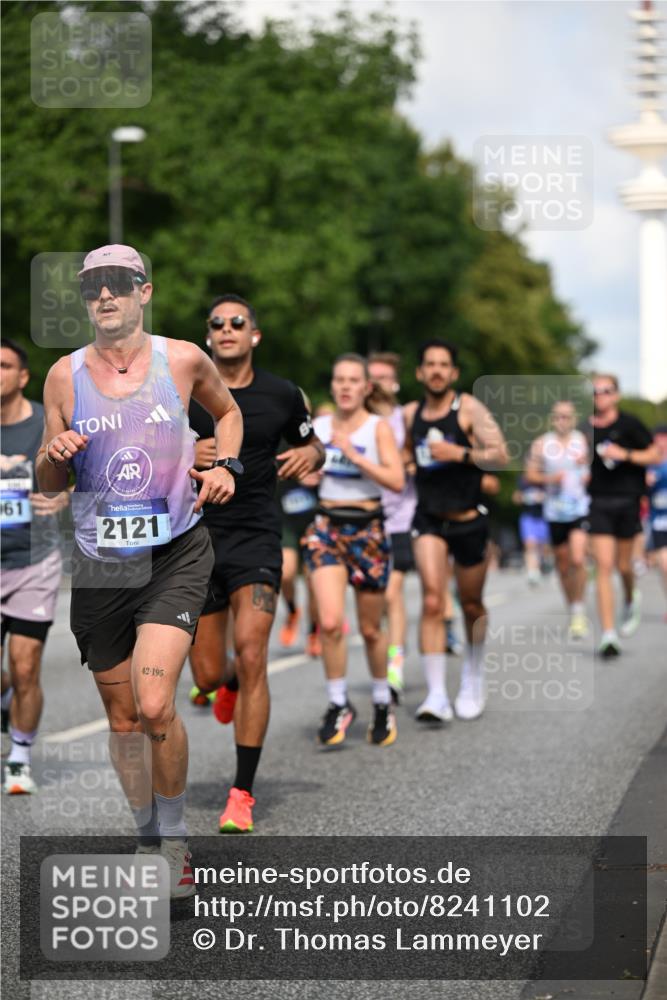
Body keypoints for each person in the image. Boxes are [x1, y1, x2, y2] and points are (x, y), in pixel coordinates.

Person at [36, 244, 243, 898]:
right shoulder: (63, 377)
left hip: (175, 553)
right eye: (94, 286)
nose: (106, 296)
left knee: (156, 705)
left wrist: (224, 468)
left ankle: (176, 842)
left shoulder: (181, 359)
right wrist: (55, 453)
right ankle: (144, 832)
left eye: (118, 285)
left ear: (143, 292)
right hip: (100, 565)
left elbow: (228, 413)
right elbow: (48, 479)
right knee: (123, 720)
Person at [188, 294, 324, 833]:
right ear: (208, 336)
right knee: (206, 672)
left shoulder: (282, 394)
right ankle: (221, 684)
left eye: (237, 323)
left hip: (257, 540)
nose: (226, 330)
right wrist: (185, 452)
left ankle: (241, 793)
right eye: (217, 324)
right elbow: (147, 453)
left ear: (254, 335)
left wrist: (312, 455)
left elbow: (314, 446)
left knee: (252, 655)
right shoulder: (184, 392)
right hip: (195, 540)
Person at [301, 353, 404, 747]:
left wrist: (354, 454)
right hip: (327, 527)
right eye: (339, 380)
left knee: (370, 629)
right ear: (332, 386)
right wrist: (306, 470)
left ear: (365, 388)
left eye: (352, 381)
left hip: (369, 531)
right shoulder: (319, 427)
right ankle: (338, 702)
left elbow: (395, 479)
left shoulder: (377, 429)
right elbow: (305, 469)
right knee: (330, 622)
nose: (345, 386)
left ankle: (381, 700)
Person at [405, 339, 508, 722]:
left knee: (471, 603)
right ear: (419, 372)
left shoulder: (468, 408)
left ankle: (473, 674)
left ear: (454, 373)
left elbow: (500, 454)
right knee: (433, 600)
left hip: (468, 519)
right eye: (429, 364)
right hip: (429, 519)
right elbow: (400, 455)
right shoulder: (410, 413)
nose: (436, 370)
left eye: (443, 365)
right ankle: (435, 695)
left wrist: (461, 454)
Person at [1, 340, 68, 794]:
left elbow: (80, 476)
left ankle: (19, 757)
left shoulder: (45, 425)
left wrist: (63, 494)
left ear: (23, 376)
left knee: (25, 666)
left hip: (34, 561)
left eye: (3, 366)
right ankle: (7, 700)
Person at [582, 374, 658, 658]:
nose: (600, 395)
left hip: (628, 501)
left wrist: (624, 454)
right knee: (603, 566)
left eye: (606, 390)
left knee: (624, 566)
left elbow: (653, 455)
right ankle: (608, 634)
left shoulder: (630, 424)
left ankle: (630, 597)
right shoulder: (584, 428)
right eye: (595, 391)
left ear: (616, 395)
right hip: (598, 501)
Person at [366, 352, 417, 700]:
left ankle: (394, 665)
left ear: (395, 381)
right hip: (366, 516)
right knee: (375, 600)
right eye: (374, 376)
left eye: (385, 376)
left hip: (402, 515)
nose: (378, 382)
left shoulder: (405, 418)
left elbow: (415, 454)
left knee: (391, 593)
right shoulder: (357, 419)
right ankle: (386, 658)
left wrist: (407, 464)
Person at [525, 400, 590, 638]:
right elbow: (530, 474)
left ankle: (580, 608)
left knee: (578, 558)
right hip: (554, 512)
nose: (563, 421)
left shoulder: (582, 441)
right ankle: (572, 609)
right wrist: (551, 480)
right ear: (553, 419)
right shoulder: (542, 444)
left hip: (579, 509)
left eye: (567, 416)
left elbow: (596, 470)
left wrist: (588, 475)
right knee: (563, 566)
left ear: (573, 418)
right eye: (559, 416)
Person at [512, 475, 549, 587]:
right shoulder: (523, 480)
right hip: (528, 516)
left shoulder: (546, 478)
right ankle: (532, 571)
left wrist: (543, 497)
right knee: (530, 543)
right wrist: (524, 498)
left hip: (544, 516)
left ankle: (542, 564)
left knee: (542, 546)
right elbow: (515, 498)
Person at [646, 426, 667, 619]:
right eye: (657, 439)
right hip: (659, 522)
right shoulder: (648, 464)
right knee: (664, 566)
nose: (661, 442)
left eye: (664, 438)